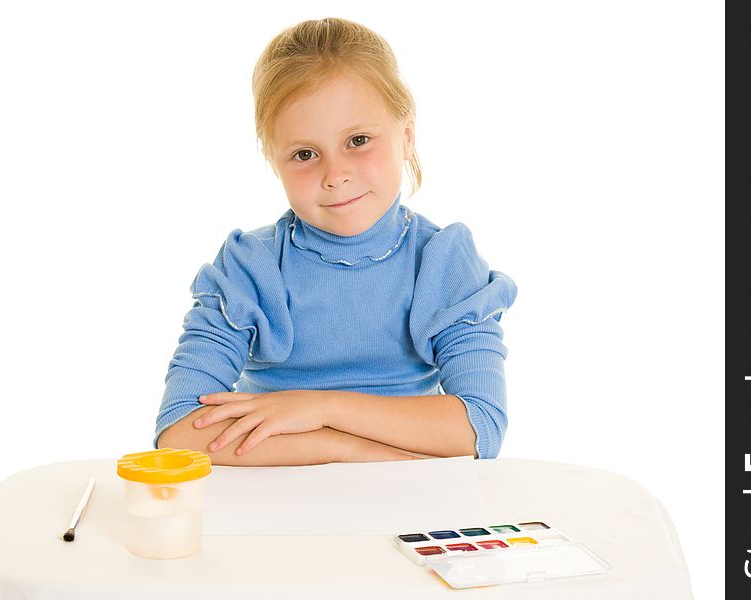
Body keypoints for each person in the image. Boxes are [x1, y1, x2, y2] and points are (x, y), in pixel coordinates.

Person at [154, 17, 517, 466]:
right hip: (279, 504)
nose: (335, 175)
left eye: (358, 140)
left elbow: (480, 426)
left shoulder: (441, 261)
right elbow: (178, 433)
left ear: (406, 135)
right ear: (272, 158)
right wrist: (346, 450)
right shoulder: (250, 267)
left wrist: (320, 407)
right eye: (305, 154)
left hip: (404, 506)